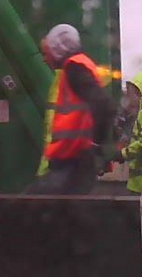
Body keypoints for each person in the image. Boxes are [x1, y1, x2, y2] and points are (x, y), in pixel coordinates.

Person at [26, 23, 116, 195]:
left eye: (48, 52)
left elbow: (105, 105)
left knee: (31, 204)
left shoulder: (75, 67)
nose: (45, 59)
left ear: (58, 49)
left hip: (72, 164)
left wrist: (96, 144)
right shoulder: (77, 66)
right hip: (73, 163)